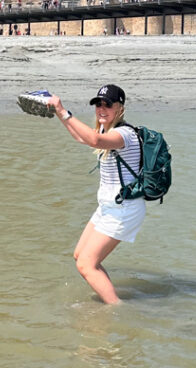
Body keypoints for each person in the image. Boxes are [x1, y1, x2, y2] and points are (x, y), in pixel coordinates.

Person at [47, 84, 145, 305]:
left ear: (120, 107)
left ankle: (117, 309)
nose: (102, 108)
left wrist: (64, 112)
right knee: (80, 256)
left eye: (108, 104)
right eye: (98, 104)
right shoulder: (105, 131)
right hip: (108, 207)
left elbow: (93, 141)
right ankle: (109, 297)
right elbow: (84, 138)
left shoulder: (124, 134)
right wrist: (59, 114)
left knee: (86, 264)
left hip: (124, 210)